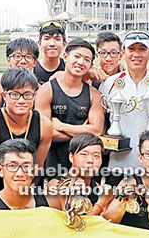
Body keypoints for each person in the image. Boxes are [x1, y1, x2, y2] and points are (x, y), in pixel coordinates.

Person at [99, 31, 149, 180]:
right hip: (117, 165)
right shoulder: (109, 83)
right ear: (123, 52)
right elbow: (102, 118)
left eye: (142, 49)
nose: (137, 54)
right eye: (131, 49)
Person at [0, 67, 52, 207]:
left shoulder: (44, 125)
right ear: (4, 95)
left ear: (35, 95)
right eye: (14, 94)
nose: (21, 101)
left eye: (27, 95)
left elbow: (38, 166)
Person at [36, 39, 104, 181]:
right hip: (52, 162)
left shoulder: (94, 95)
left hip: (85, 165)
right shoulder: (47, 90)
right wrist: (84, 133)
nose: (81, 62)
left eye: (87, 60)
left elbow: (97, 131)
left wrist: (60, 126)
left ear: (91, 65)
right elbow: (44, 133)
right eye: (77, 56)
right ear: (66, 57)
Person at [45, 133, 112, 214]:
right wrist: (101, 203)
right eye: (84, 154)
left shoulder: (98, 187)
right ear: (71, 157)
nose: (90, 160)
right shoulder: (57, 185)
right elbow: (71, 222)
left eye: (96, 156)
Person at [0, 139, 49, 210]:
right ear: (0, 170)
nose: (20, 173)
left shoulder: (51, 202)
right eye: (12, 166)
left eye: (26, 166)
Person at [0, 37, 39, 116]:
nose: (23, 61)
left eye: (28, 57)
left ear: (35, 62)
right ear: (8, 59)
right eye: (17, 56)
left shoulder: (41, 90)